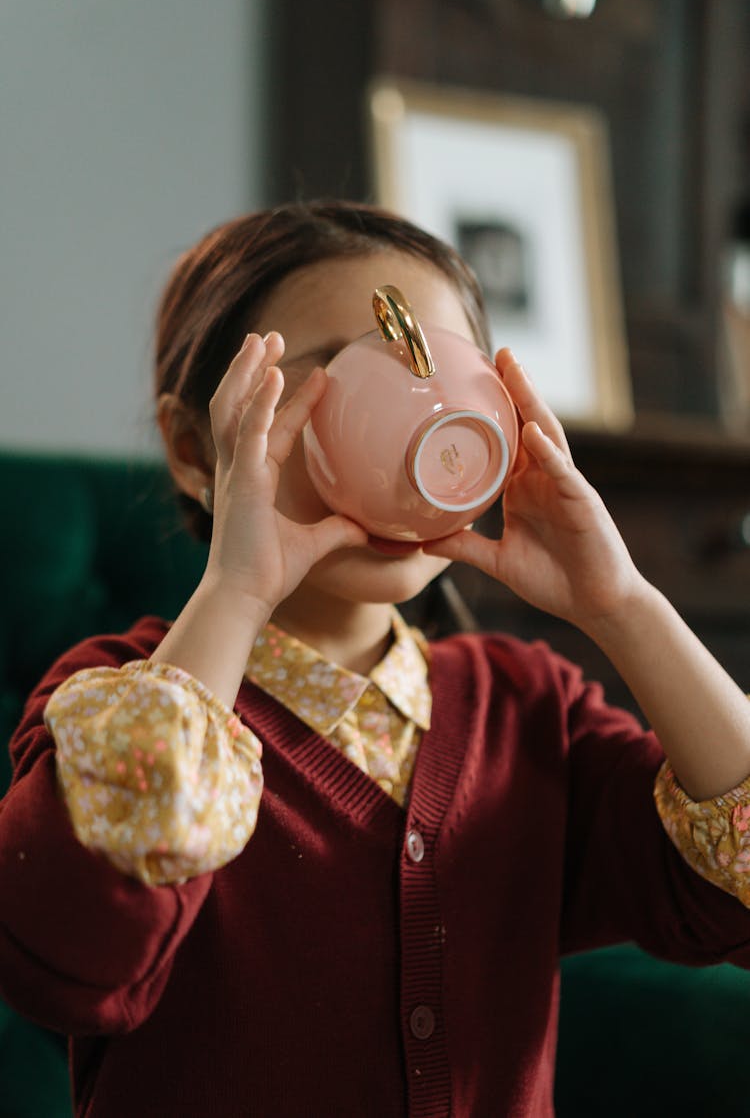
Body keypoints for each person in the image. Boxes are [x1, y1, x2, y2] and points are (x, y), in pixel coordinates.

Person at [1, 200, 750, 1118]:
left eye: (444, 375)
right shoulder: (116, 701)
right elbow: (69, 957)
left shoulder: (528, 710)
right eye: (343, 378)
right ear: (198, 450)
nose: (414, 426)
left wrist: (624, 604)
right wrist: (236, 591)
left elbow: (736, 884)